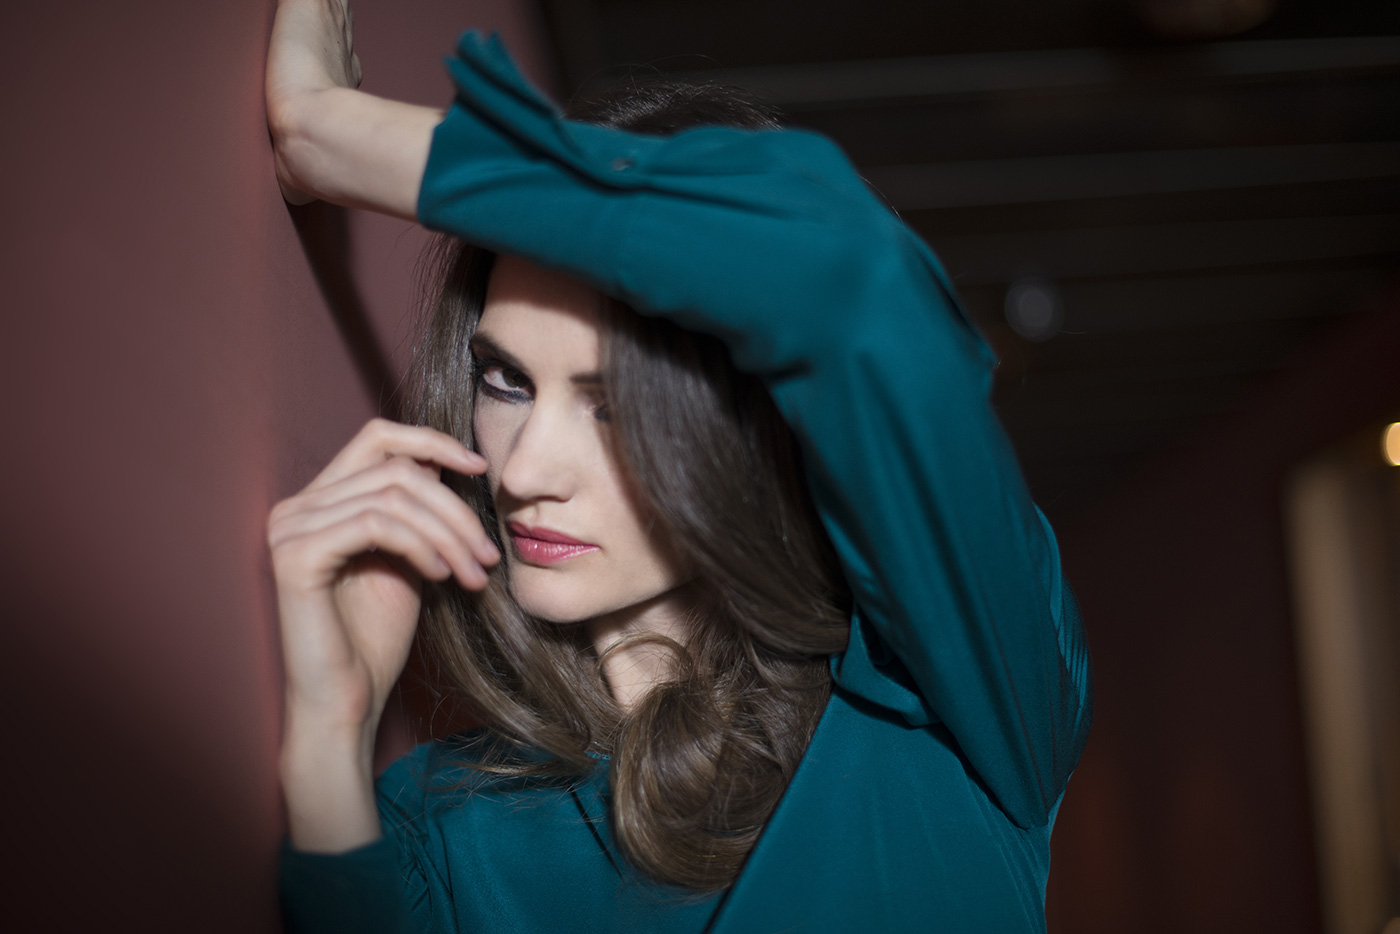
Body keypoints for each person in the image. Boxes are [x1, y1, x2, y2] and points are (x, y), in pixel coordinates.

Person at [265, 2, 1093, 932]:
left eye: (613, 406)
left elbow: (847, 274)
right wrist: (331, 735)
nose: (525, 472)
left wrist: (322, 132)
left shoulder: (950, 703)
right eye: (507, 381)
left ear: (757, 425)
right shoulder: (446, 832)